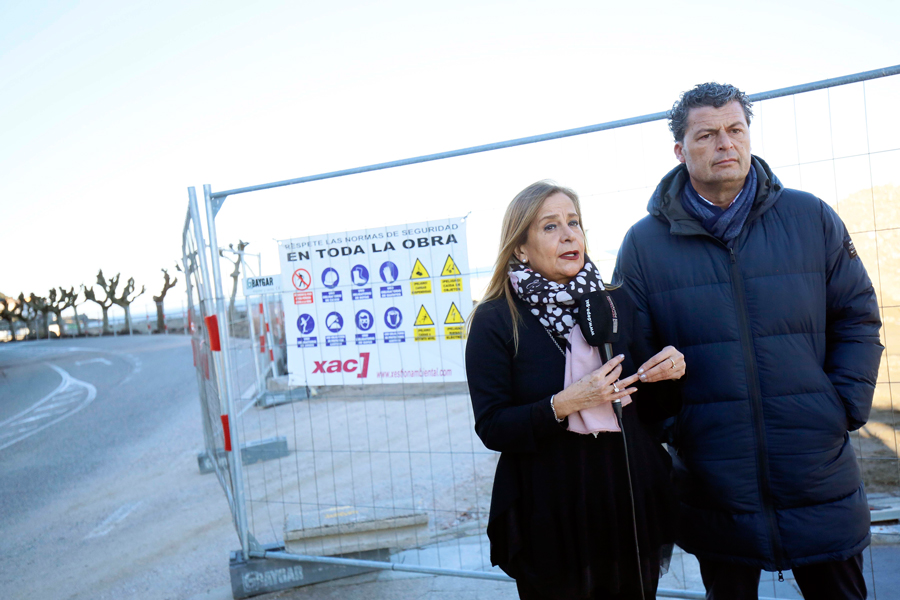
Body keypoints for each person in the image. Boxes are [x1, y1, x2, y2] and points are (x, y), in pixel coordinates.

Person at [614, 83, 884, 600]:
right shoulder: (644, 244)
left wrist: (842, 407)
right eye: (707, 135)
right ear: (680, 150)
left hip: (816, 467)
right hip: (714, 479)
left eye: (735, 130)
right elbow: (634, 353)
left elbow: (857, 318)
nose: (725, 143)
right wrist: (678, 427)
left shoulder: (810, 217)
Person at [466, 180, 685, 599]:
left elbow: (651, 410)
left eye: (574, 222)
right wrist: (563, 404)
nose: (569, 235)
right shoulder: (495, 320)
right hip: (552, 511)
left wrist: (670, 374)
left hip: (627, 500)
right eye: (550, 226)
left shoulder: (615, 303)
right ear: (520, 248)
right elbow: (493, 426)